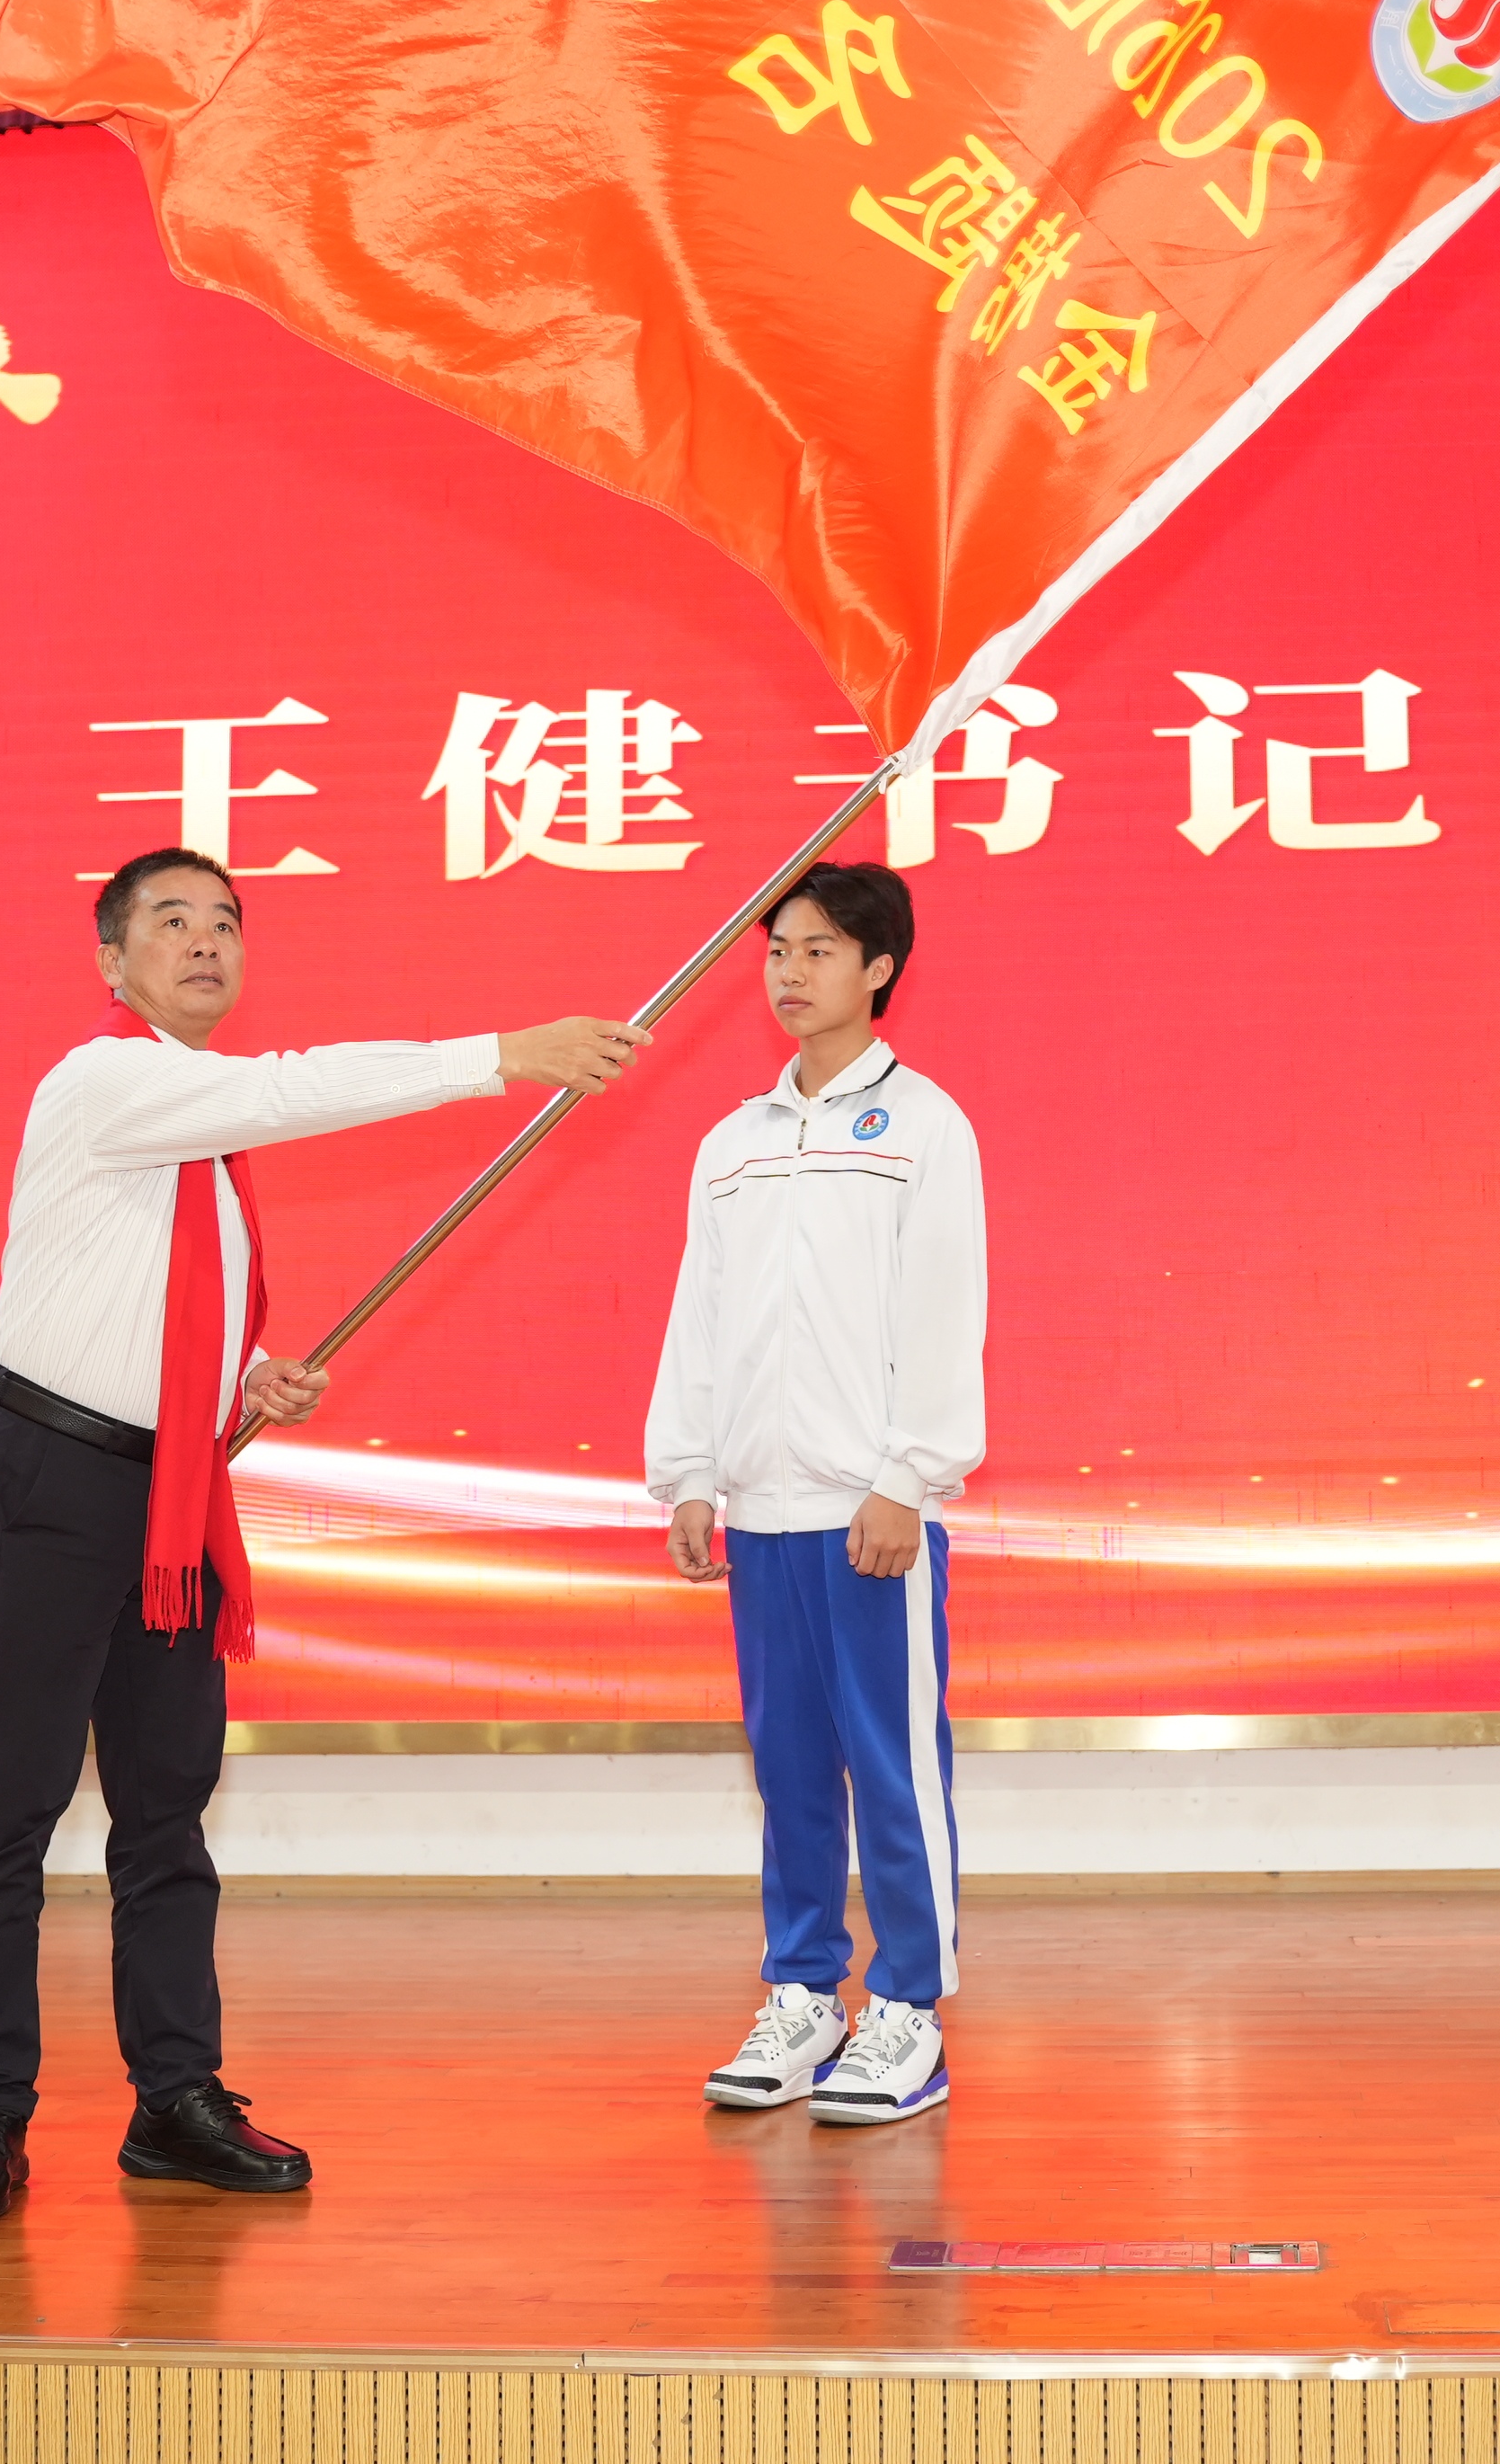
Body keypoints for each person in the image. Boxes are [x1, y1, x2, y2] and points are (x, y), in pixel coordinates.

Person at [0, 847, 648, 2227]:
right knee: (10, 1811)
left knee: (167, 1810)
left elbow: (146, 1308)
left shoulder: (198, 1139)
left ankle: (174, 2100)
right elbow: (288, 1087)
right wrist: (501, 1055)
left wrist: (244, 1382)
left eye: (226, 923)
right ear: (111, 959)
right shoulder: (106, 1080)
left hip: (169, 1495)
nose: (207, 943)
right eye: (172, 923)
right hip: (47, 1480)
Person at [645, 861, 985, 2127]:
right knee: (788, 1770)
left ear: (880, 968)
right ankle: (803, 1994)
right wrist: (690, 1471)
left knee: (892, 1768)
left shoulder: (925, 1127)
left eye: (820, 950)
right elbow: (700, 1316)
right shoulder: (731, 1144)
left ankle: (909, 2010)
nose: (790, 973)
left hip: (867, 1515)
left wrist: (907, 1475)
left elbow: (944, 1309)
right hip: (761, 1512)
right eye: (778, 951)